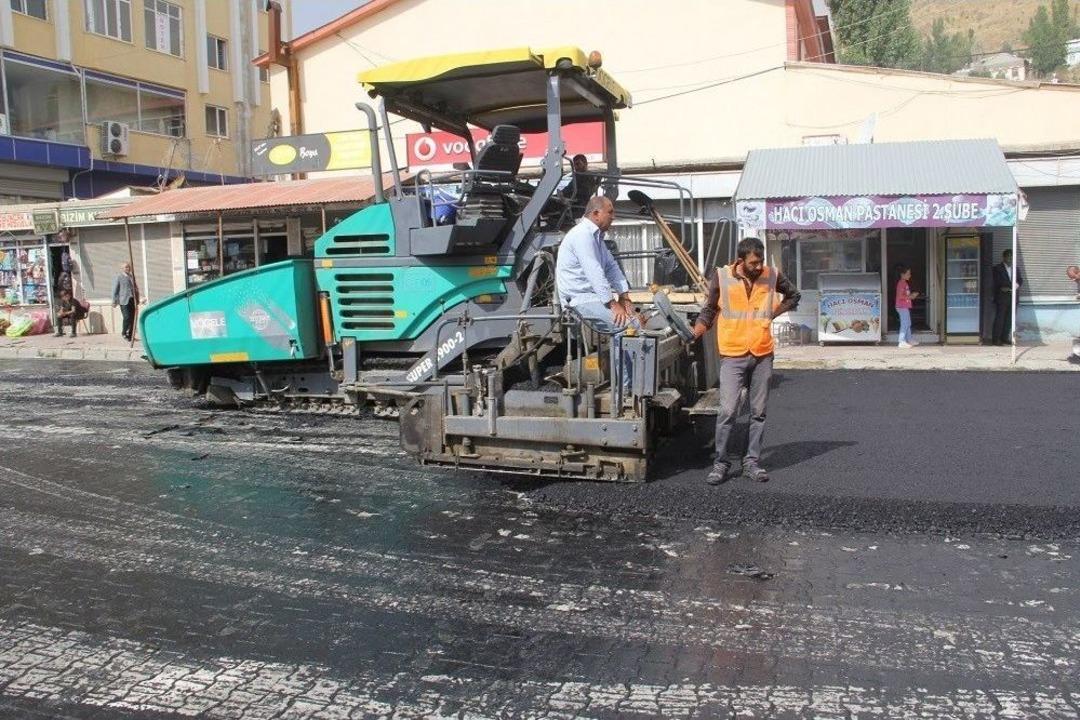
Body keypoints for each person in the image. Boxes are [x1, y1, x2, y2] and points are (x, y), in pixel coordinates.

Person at [691, 237, 801, 485]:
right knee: (728, 411)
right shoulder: (722, 276)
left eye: (761, 260)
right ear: (740, 260)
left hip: (762, 352)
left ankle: (752, 462)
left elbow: (794, 295)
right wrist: (698, 328)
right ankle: (720, 464)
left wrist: (774, 313)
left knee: (758, 412)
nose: (759, 265)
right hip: (733, 353)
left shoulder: (771, 274)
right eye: (754, 262)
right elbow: (709, 309)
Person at [555, 195, 640, 393]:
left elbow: (611, 267)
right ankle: (625, 392)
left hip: (592, 296)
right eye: (610, 212)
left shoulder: (597, 238)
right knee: (625, 326)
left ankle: (631, 386)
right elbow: (594, 271)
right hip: (578, 299)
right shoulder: (582, 235)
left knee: (635, 322)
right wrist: (613, 304)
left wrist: (624, 295)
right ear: (595, 214)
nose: (614, 216)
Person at [992, 249, 1022, 345]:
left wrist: (1015, 285)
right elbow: (999, 282)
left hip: (1013, 297)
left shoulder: (1016, 268)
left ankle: (1005, 338)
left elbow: (1020, 280)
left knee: (1009, 319)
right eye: (1008, 256)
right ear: (1004, 257)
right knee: (1000, 319)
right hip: (1002, 297)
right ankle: (996, 339)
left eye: (1012, 257)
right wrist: (1012, 285)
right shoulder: (997, 268)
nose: (1010, 259)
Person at [112, 261, 140, 341]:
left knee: (133, 318)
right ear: (122, 269)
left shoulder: (131, 276)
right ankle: (124, 332)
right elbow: (115, 290)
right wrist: (114, 300)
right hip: (124, 300)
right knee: (127, 317)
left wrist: (137, 299)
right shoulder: (119, 277)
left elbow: (135, 288)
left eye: (128, 267)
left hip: (132, 300)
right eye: (126, 267)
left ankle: (130, 335)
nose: (128, 268)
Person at [894, 264, 920, 348]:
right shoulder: (901, 283)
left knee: (908, 323)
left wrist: (911, 295)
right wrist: (911, 296)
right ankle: (901, 341)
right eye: (908, 274)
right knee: (905, 323)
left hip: (904, 306)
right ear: (902, 274)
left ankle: (909, 339)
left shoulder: (904, 283)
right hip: (902, 307)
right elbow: (900, 296)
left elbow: (904, 295)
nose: (910, 275)